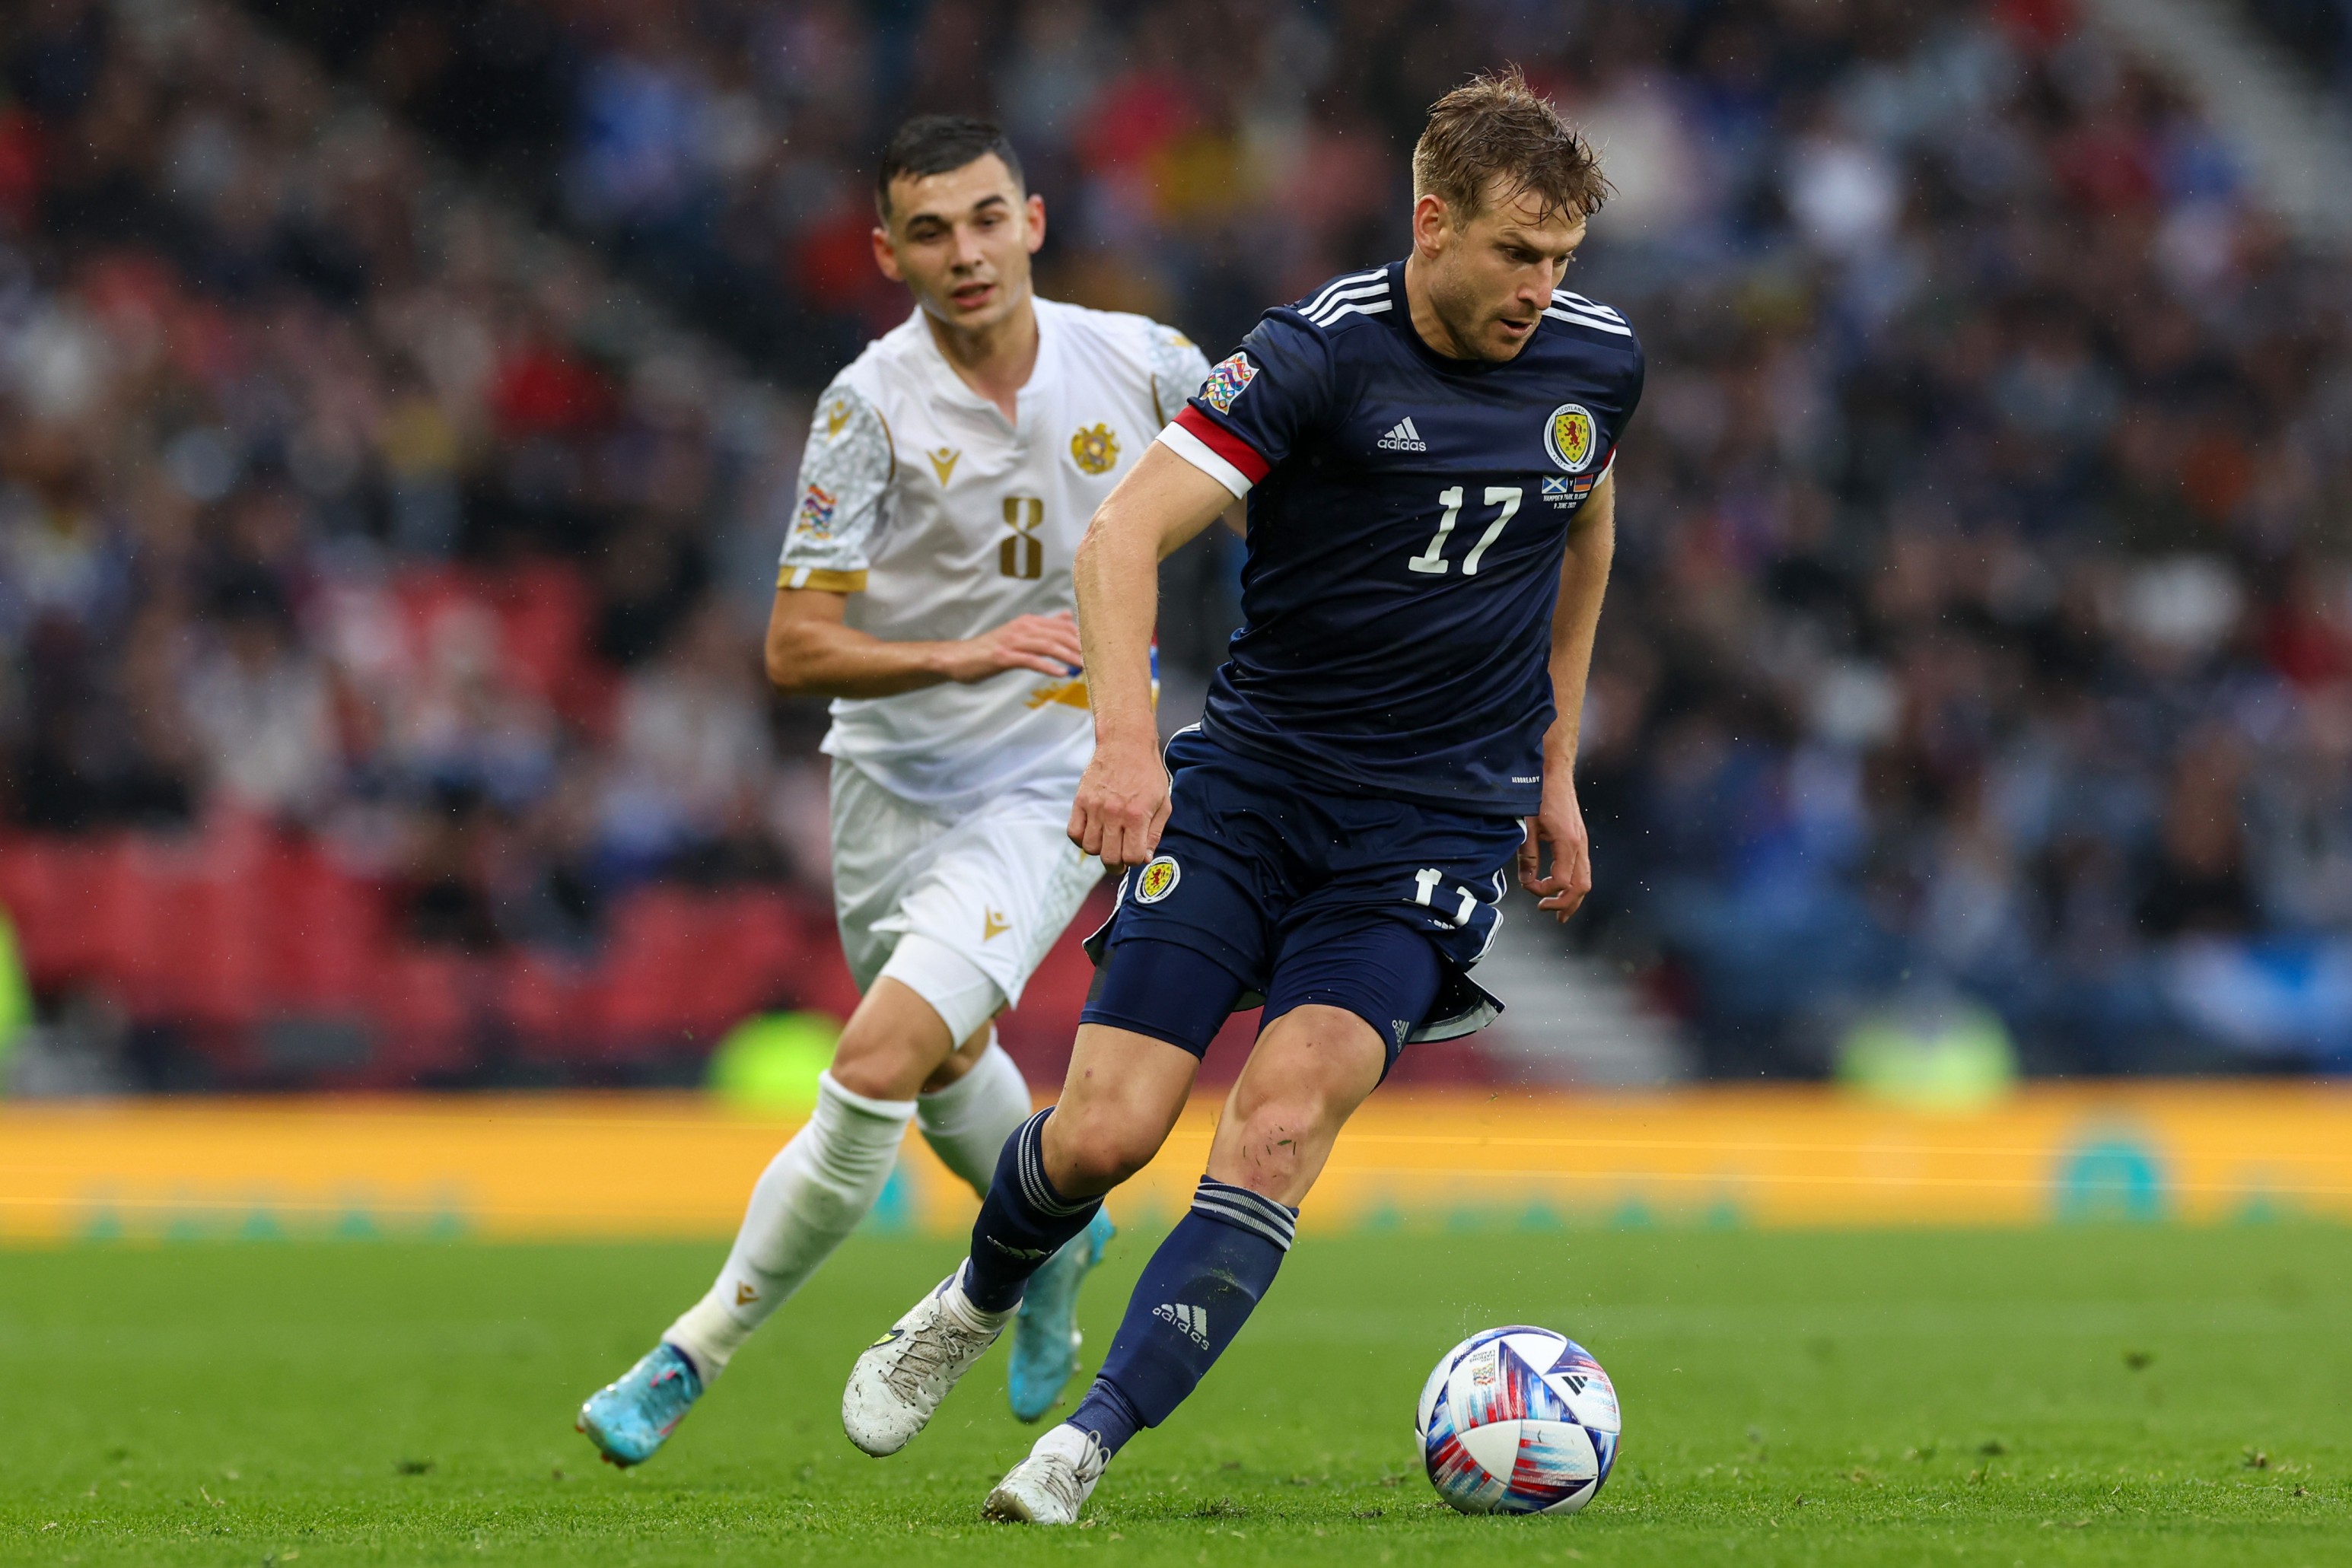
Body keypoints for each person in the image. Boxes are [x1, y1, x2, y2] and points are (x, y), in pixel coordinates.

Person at [839, 70, 1643, 1524]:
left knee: (1275, 1127)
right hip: (1256, 787)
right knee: (1104, 1132)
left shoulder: (1595, 361)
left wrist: (1555, 762)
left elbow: (1582, 532)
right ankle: (975, 1294)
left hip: (1429, 827)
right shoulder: (1314, 356)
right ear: (1431, 222)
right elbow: (1120, 536)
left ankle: (1081, 1447)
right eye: (1518, 254)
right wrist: (1127, 745)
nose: (1544, 289)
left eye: (1564, 260)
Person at [578, 114, 1217, 1465]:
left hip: (1052, 773)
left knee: (873, 1056)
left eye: (987, 218)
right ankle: (1055, 1250)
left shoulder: (1149, 364)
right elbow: (792, 643)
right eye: (930, 229)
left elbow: (1278, 480)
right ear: (888, 251)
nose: (966, 251)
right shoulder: (867, 407)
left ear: (1033, 220)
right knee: (945, 1071)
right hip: (887, 784)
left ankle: (691, 1350)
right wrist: (958, 649)